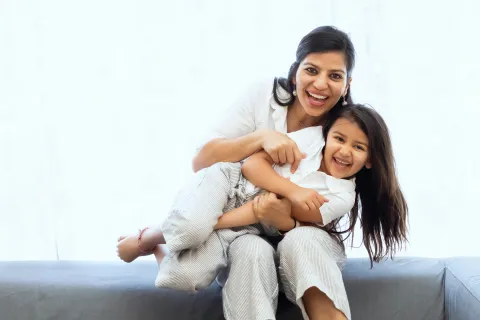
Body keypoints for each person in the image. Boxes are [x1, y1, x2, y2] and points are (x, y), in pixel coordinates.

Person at [117, 26, 408, 319]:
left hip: (289, 232)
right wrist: (261, 138)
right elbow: (211, 162)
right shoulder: (285, 114)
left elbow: (279, 214)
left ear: (347, 84)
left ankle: (156, 237)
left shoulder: (338, 130)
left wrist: (275, 212)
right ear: (295, 71)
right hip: (242, 217)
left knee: (297, 239)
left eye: (334, 76)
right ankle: (151, 238)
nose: (321, 84)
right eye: (311, 70)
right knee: (234, 254)